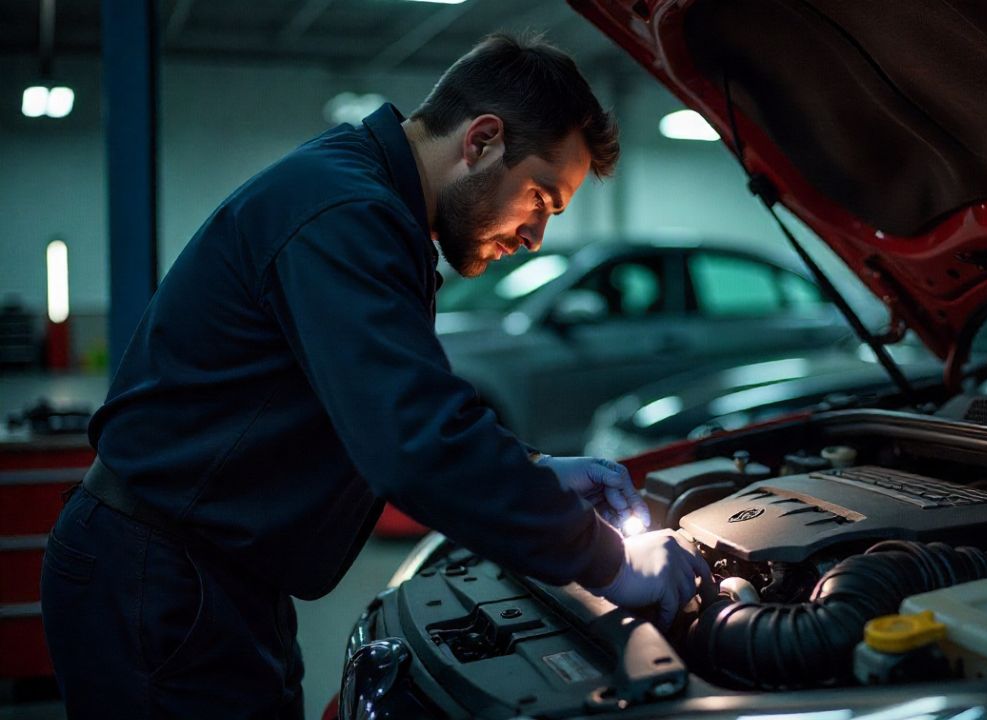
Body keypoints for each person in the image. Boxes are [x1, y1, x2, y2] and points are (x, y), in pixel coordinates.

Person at [40, 33, 711, 719]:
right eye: (540, 198)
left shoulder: (363, 199)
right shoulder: (346, 212)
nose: (534, 236)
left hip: (207, 575)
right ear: (480, 141)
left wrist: (537, 469)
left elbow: (396, 406)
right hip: (159, 584)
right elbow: (416, 441)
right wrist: (609, 562)